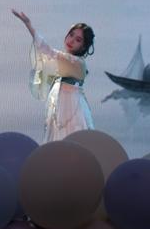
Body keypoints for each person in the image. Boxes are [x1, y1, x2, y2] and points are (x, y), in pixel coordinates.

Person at [12, 9, 95, 142]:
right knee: (57, 141)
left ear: (83, 47)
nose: (71, 40)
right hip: (60, 106)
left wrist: (28, 25)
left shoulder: (77, 63)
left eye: (78, 40)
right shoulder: (64, 61)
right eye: (71, 35)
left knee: (71, 142)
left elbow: (48, 51)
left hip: (72, 108)